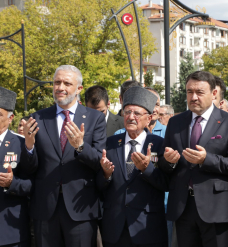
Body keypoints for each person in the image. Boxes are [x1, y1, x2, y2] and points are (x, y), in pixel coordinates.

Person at [158, 71, 228, 247]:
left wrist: (206, 159)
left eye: (199, 92)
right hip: (183, 206)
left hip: (216, 208)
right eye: (189, 92)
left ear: (214, 94)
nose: (194, 97)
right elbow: (163, 162)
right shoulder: (176, 122)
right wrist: (169, 160)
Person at [23, 65, 107, 247]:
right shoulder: (37, 118)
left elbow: (100, 162)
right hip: (45, 208)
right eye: (57, 82)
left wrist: (80, 147)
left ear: (79, 89)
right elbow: (29, 168)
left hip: (81, 208)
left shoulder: (95, 118)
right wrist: (28, 146)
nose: (60, 87)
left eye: (67, 83)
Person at [97, 86, 168, 247]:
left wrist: (147, 169)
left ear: (148, 118)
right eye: (127, 112)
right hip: (115, 228)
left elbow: (167, 183)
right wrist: (106, 175)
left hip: (148, 228)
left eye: (137, 113)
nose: (131, 117)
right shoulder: (110, 144)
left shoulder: (159, 144)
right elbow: (98, 186)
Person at [0, 87, 32, 247]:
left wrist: (11, 183)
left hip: (10, 230)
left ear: (11, 117)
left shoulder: (21, 144)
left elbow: (32, 184)